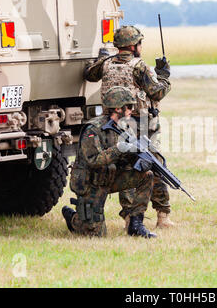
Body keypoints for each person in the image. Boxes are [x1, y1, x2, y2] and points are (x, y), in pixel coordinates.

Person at [83, 25, 175, 229]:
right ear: (133, 46)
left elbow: (89, 74)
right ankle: (163, 215)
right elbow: (157, 93)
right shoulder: (139, 66)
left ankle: (129, 218)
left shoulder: (106, 64)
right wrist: (164, 76)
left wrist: (100, 58)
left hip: (112, 125)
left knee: (125, 167)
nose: (141, 46)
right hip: (138, 124)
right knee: (154, 163)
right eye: (139, 43)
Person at [62, 86, 156, 238]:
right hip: (91, 183)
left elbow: (126, 157)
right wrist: (119, 148)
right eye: (129, 107)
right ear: (118, 108)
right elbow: (94, 160)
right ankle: (74, 219)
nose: (132, 110)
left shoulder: (124, 127)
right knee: (96, 235)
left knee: (147, 175)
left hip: (110, 177)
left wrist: (139, 156)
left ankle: (136, 224)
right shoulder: (93, 129)